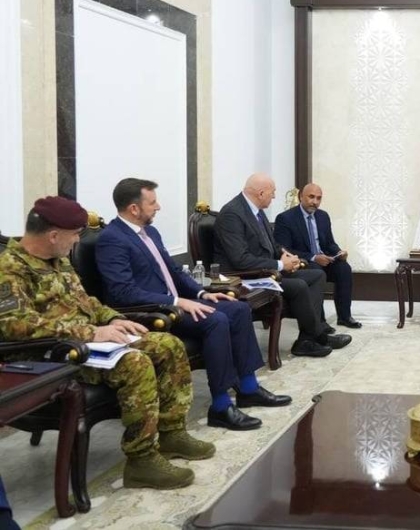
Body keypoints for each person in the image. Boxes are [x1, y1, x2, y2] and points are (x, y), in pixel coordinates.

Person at [0, 197, 215, 490]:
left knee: (168, 345)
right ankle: (141, 460)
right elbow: (15, 326)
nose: (78, 240)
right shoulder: (10, 268)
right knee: (134, 363)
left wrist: (112, 319)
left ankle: (172, 434)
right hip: (49, 357)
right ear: (53, 235)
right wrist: (90, 332)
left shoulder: (58, 261)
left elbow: (86, 301)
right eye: (75, 234)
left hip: (88, 345)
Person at [96, 178, 292, 432]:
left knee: (238, 308)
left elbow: (175, 271)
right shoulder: (112, 239)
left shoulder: (150, 233)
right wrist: (177, 301)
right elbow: (123, 292)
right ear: (134, 209)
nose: (159, 207)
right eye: (152, 202)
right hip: (153, 312)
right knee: (216, 320)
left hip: (177, 303)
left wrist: (201, 293)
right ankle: (220, 406)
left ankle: (248, 388)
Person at [214, 174, 351, 357]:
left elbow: (273, 244)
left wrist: (287, 256)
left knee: (317, 275)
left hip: (265, 271)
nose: (274, 196)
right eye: (272, 192)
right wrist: (280, 264)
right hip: (244, 277)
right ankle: (319, 336)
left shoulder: (256, 211)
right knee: (299, 285)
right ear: (261, 193)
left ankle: (306, 339)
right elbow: (240, 260)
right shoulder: (232, 214)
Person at [273, 183, 361, 329]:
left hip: (324, 260)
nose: (315, 202)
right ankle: (320, 322)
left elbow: (330, 244)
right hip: (303, 263)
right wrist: (313, 257)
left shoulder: (323, 216)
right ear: (301, 197)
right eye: (311, 197)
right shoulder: (286, 218)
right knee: (316, 271)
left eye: (319, 198)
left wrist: (339, 253)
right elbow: (284, 249)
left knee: (344, 268)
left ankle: (345, 317)